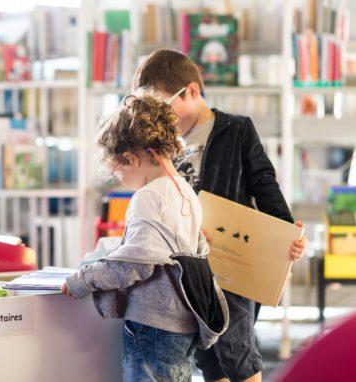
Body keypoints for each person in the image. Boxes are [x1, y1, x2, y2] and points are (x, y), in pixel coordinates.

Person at [132, 49, 308, 382]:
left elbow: (264, 183)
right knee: (206, 353)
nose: (160, 117)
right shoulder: (163, 145)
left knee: (236, 347)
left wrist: (287, 233)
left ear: (192, 91)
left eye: (163, 106)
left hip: (233, 262)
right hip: (190, 263)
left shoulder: (236, 130)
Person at [61, 94, 228, 382]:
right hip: (183, 323)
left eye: (119, 170)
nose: (119, 178)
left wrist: (81, 280)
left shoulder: (148, 197)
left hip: (153, 325)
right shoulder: (185, 191)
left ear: (131, 158)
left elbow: (133, 265)